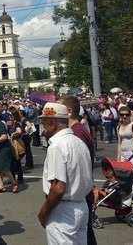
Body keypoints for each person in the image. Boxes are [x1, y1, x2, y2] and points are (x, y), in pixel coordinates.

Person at [37, 102, 93, 245]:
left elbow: (58, 188)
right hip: (81, 205)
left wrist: (44, 212)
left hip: (63, 210)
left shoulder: (56, 146)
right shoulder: (78, 142)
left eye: (43, 121)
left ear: (52, 122)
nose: (42, 125)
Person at [58, 95, 97, 245]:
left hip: (79, 193)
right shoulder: (75, 129)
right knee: (86, 234)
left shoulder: (76, 132)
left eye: (58, 107)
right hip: (81, 192)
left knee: (84, 236)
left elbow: (77, 166)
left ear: (68, 111)